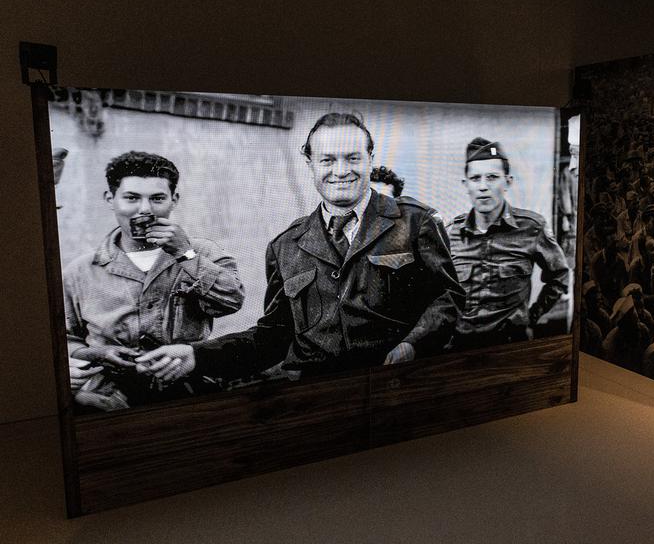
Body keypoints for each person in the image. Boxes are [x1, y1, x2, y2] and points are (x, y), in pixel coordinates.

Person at [139, 113, 465, 379]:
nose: (341, 171)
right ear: (309, 163)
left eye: (353, 158)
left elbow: (447, 300)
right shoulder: (287, 246)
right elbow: (272, 338)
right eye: (327, 160)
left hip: (402, 387)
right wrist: (198, 357)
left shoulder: (415, 221)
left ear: (369, 159)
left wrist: (412, 346)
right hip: (319, 398)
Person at [64, 151, 245, 411]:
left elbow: (232, 301)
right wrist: (96, 354)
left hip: (189, 392)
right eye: (131, 198)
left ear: (174, 200)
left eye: (157, 198)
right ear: (110, 199)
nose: (145, 210)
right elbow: (65, 338)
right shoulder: (81, 271)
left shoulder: (202, 253)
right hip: (108, 400)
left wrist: (185, 255)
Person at [447, 137, 570, 349]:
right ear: (465, 185)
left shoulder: (532, 228)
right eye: (475, 178)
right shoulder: (451, 233)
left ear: (508, 181)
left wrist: (531, 317)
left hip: (511, 345)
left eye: (492, 177)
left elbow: (559, 276)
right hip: (459, 346)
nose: (483, 187)